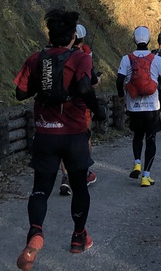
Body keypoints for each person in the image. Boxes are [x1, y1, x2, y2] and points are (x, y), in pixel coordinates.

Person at [13, 9, 107, 270]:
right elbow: (86, 87)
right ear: (72, 37)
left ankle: (35, 233)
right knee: (80, 187)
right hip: (74, 134)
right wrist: (98, 111)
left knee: (40, 189)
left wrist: (42, 85)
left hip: (45, 133)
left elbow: (20, 93)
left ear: (50, 35)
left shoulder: (35, 59)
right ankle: (79, 237)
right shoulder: (80, 58)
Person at [117, 25, 161, 187]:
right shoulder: (156, 59)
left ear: (134, 40)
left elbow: (119, 80)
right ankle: (146, 176)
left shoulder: (126, 58)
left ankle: (136, 163)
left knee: (137, 136)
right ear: (149, 40)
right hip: (152, 107)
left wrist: (122, 97)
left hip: (133, 107)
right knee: (151, 140)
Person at [60, 24, 99, 195]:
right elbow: (89, 84)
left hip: (60, 104)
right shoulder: (85, 57)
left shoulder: (58, 54)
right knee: (85, 137)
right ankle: (85, 171)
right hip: (80, 106)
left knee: (62, 139)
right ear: (81, 40)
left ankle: (65, 175)